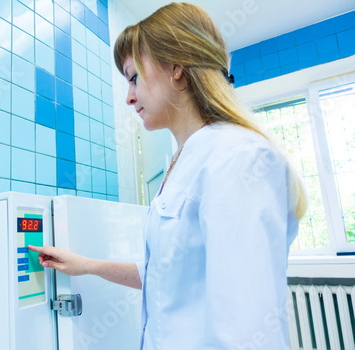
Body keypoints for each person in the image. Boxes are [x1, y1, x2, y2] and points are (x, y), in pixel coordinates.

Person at [29, 2, 307, 349]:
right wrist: (86, 265)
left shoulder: (235, 158)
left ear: (176, 66)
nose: (129, 97)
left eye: (133, 77)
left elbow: (247, 331)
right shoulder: (186, 161)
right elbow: (168, 276)